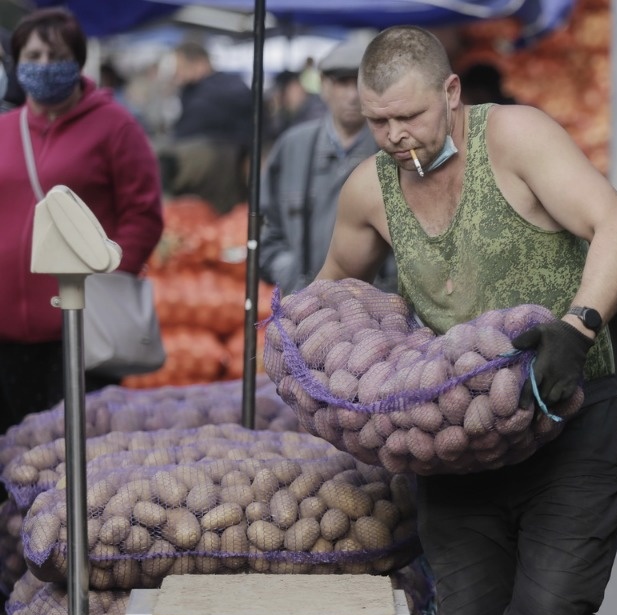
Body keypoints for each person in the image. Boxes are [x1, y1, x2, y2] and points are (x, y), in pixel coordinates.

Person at [316, 25, 617, 615]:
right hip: (456, 444)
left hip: (568, 416)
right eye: (378, 121)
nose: (395, 136)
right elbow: (333, 290)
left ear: (450, 91)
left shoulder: (516, 138)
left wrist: (577, 330)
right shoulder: (371, 188)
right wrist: (306, 356)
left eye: (409, 116)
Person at [0, 8, 164, 431]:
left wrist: (109, 279)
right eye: (32, 56)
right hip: (7, 331)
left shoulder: (115, 127)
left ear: (77, 61)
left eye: (55, 56)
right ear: (16, 64)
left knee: (75, 444)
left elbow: (143, 215)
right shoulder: (4, 128)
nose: (42, 66)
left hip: (80, 325)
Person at [260, 31, 394, 296]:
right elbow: (266, 228)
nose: (352, 95)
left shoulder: (391, 147)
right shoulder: (293, 147)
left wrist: (384, 291)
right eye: (342, 82)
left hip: (374, 313)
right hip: (301, 305)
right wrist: (291, 274)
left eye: (360, 83)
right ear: (323, 86)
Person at [159, 41, 254, 213]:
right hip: (210, 169)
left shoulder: (216, 91)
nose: (177, 74)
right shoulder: (196, 90)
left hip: (222, 168)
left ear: (199, 63)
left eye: (180, 67)